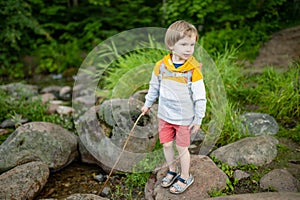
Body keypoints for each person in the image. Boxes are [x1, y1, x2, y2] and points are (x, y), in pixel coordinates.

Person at [141, 20, 206, 194]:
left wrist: (198, 119)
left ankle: (185, 176)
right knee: (167, 145)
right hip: (164, 115)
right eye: (184, 44)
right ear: (171, 45)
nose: (188, 49)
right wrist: (147, 104)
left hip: (184, 118)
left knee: (182, 147)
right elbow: (154, 87)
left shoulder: (193, 70)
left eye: (192, 45)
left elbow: (200, 97)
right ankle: (172, 170)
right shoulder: (161, 66)